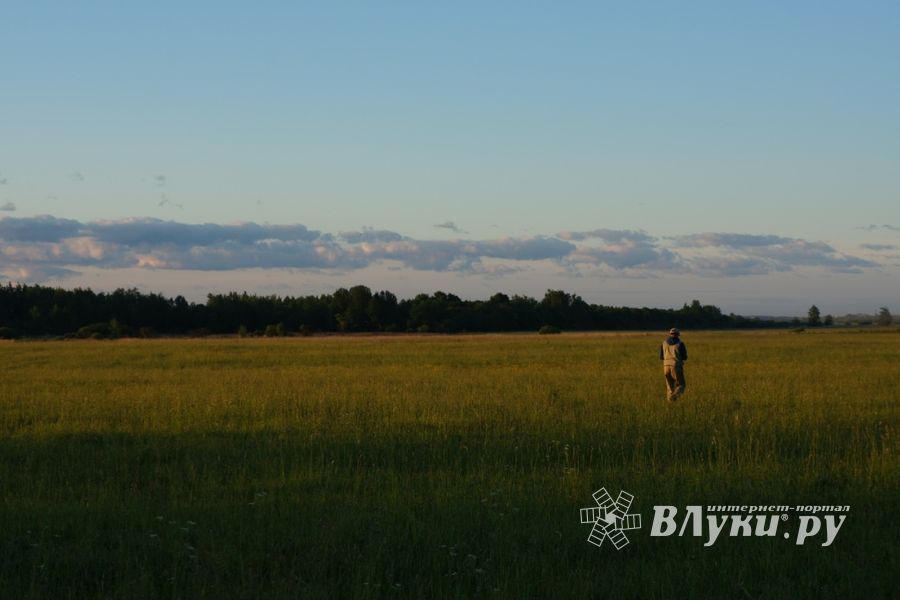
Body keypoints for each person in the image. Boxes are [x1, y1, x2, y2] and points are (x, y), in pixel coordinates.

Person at [659, 327, 687, 402]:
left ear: (670, 334)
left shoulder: (664, 343)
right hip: (676, 366)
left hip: (665, 367)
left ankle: (671, 404)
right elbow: (685, 357)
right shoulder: (680, 343)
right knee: (681, 385)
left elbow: (661, 357)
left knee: (670, 388)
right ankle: (674, 397)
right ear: (678, 335)